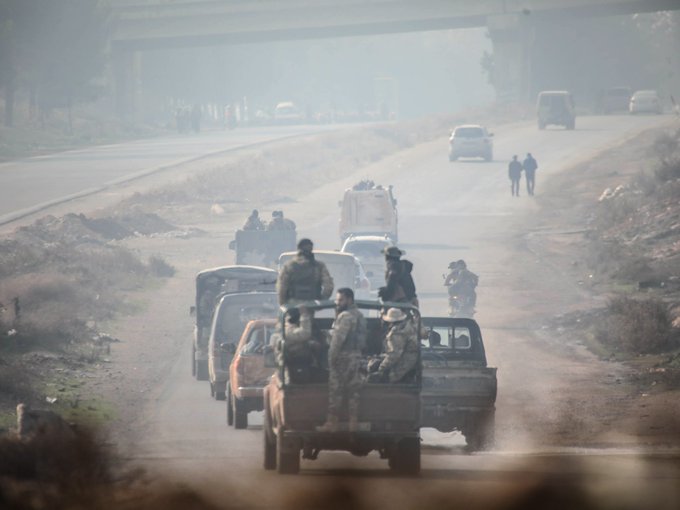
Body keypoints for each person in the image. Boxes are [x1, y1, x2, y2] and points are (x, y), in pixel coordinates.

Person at [317, 288, 366, 432]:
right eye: (337, 300)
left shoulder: (345, 316)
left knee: (335, 391)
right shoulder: (359, 316)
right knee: (354, 392)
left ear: (350, 300)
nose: (337, 303)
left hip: (343, 358)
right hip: (357, 357)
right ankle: (353, 423)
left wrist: (331, 359)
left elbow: (337, 341)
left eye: (341, 300)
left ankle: (332, 423)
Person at [277, 238, 334, 306]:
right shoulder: (319, 266)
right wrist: (321, 300)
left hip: (292, 304)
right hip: (312, 303)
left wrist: (283, 304)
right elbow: (328, 286)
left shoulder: (289, 266)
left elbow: (282, 288)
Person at [369, 307, 418, 383]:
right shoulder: (409, 327)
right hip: (412, 361)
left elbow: (394, 355)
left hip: (404, 363)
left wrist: (381, 368)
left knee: (377, 378)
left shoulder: (397, 332)